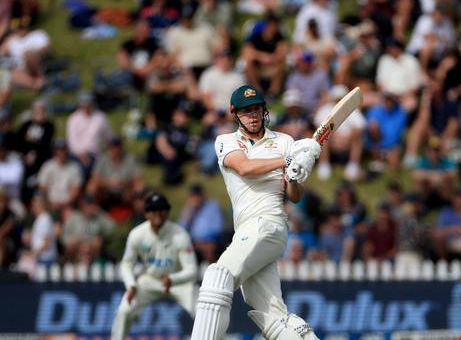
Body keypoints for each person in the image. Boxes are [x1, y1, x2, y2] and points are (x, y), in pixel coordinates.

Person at [190, 85, 321, 340]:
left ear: (264, 111)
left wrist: (294, 177)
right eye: (246, 111)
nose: (253, 116)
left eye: (257, 110)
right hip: (249, 231)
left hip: (268, 224)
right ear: (234, 114)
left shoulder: (284, 142)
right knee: (273, 315)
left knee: (218, 278)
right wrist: (287, 161)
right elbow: (245, 168)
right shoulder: (225, 141)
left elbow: (294, 197)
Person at [111, 192, 198, 340]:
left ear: (168, 211)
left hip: (178, 283)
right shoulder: (137, 234)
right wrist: (131, 284)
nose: (157, 213)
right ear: (146, 214)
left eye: (161, 209)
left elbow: (192, 270)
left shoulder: (180, 235)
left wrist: (173, 279)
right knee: (124, 311)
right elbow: (126, 263)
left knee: (203, 312)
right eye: (153, 210)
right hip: (149, 280)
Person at [178, 183, 225, 264]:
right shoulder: (187, 209)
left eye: (198, 195)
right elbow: (180, 230)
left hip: (211, 241)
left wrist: (208, 240)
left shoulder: (212, 206)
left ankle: (211, 267)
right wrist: (187, 218)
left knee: (210, 247)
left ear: (202, 195)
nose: (195, 198)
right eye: (193, 196)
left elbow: (218, 227)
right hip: (194, 243)